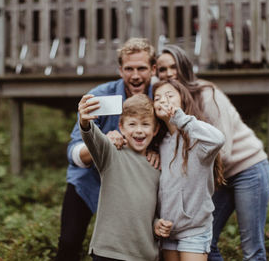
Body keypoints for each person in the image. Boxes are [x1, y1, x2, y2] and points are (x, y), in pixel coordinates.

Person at [156, 44, 269, 261]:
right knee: (206, 243)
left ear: (185, 67)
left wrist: (190, 185)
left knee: (252, 250)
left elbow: (224, 149)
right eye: (163, 69)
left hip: (247, 168)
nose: (169, 73)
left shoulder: (207, 94)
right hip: (218, 177)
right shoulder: (168, 100)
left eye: (174, 66)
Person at [55, 38, 157, 261]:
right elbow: (73, 152)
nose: (136, 75)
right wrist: (101, 143)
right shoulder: (102, 95)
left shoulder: (160, 97)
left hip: (130, 185)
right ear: (120, 70)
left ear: (153, 69)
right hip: (88, 181)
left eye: (141, 68)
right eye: (129, 69)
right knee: (69, 242)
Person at [78, 93, 165, 260]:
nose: (139, 130)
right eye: (132, 124)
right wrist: (85, 121)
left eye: (145, 124)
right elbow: (93, 138)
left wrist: (157, 224)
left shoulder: (157, 165)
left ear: (155, 130)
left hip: (144, 255)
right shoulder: (111, 153)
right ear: (121, 127)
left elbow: (150, 210)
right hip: (108, 252)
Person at [152, 79, 225, 261]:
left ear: (183, 100)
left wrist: (180, 119)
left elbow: (218, 139)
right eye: (157, 98)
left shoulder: (196, 138)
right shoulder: (157, 142)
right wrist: (156, 221)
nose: (162, 100)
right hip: (168, 231)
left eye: (169, 96)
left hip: (195, 230)